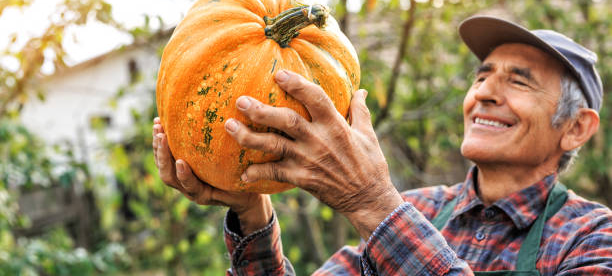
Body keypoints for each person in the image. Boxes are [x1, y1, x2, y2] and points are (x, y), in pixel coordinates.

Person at [152, 15, 612, 275]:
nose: (485, 93)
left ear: (576, 128)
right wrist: (252, 212)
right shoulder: (416, 212)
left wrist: (370, 201)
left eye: (519, 81)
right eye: (482, 75)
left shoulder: (591, 238)